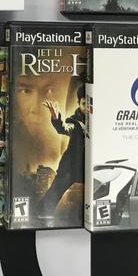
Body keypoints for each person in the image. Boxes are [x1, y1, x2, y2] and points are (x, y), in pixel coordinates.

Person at [40, 85, 86, 213]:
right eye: (84, 104)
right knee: (53, 195)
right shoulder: (75, 122)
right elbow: (64, 128)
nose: (87, 108)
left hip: (91, 166)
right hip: (72, 168)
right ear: (79, 103)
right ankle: (40, 214)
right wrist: (56, 118)